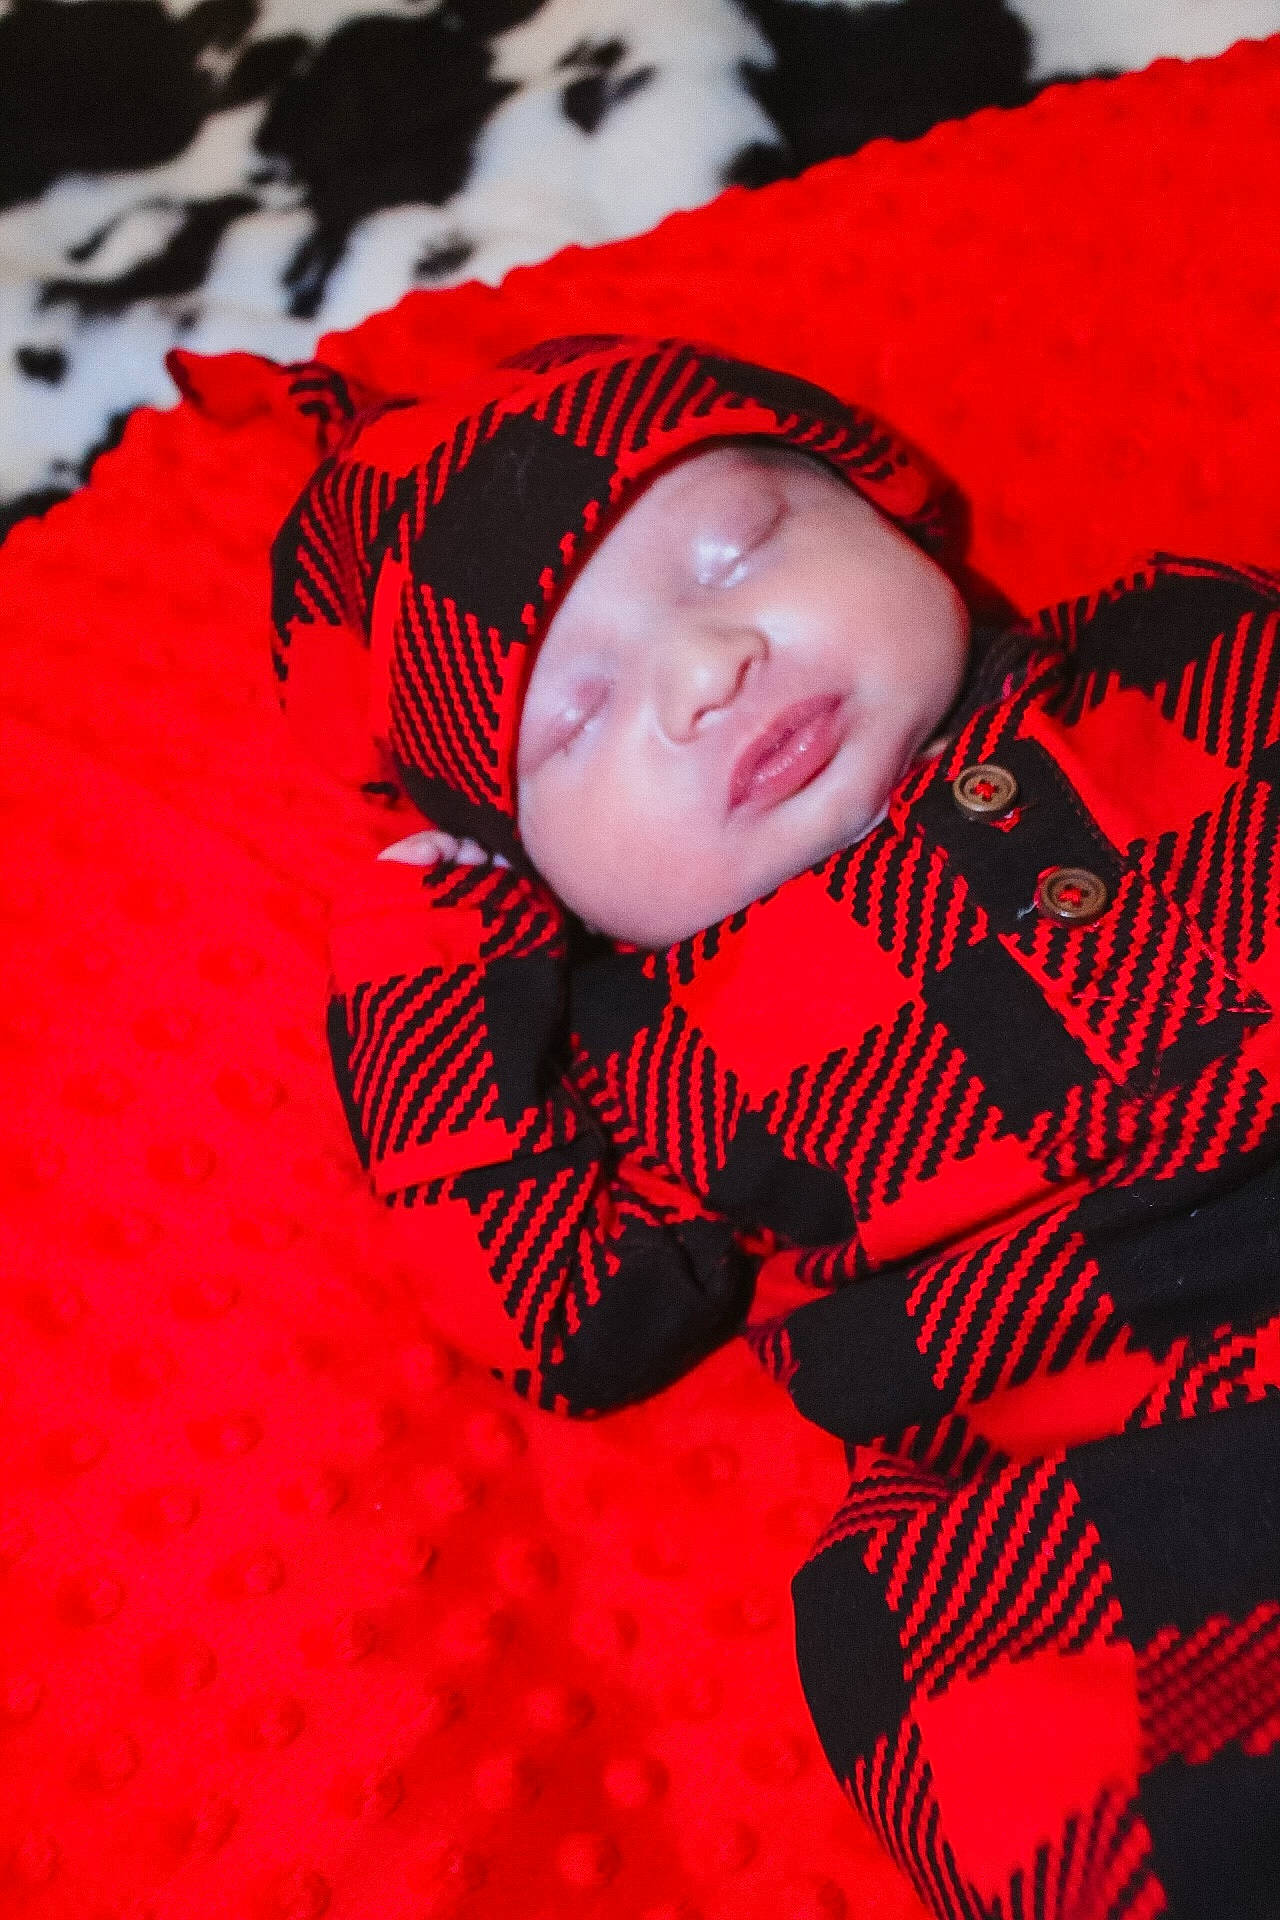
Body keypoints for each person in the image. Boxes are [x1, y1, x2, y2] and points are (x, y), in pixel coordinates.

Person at [269, 333, 1280, 1918]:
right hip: (1093, 1468)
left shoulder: (1175, 651)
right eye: (575, 717)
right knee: (911, 1645)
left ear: (887, 505)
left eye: (740, 546)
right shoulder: (647, 1046)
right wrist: (427, 972)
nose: (708, 664)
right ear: (525, 871)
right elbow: (557, 1320)